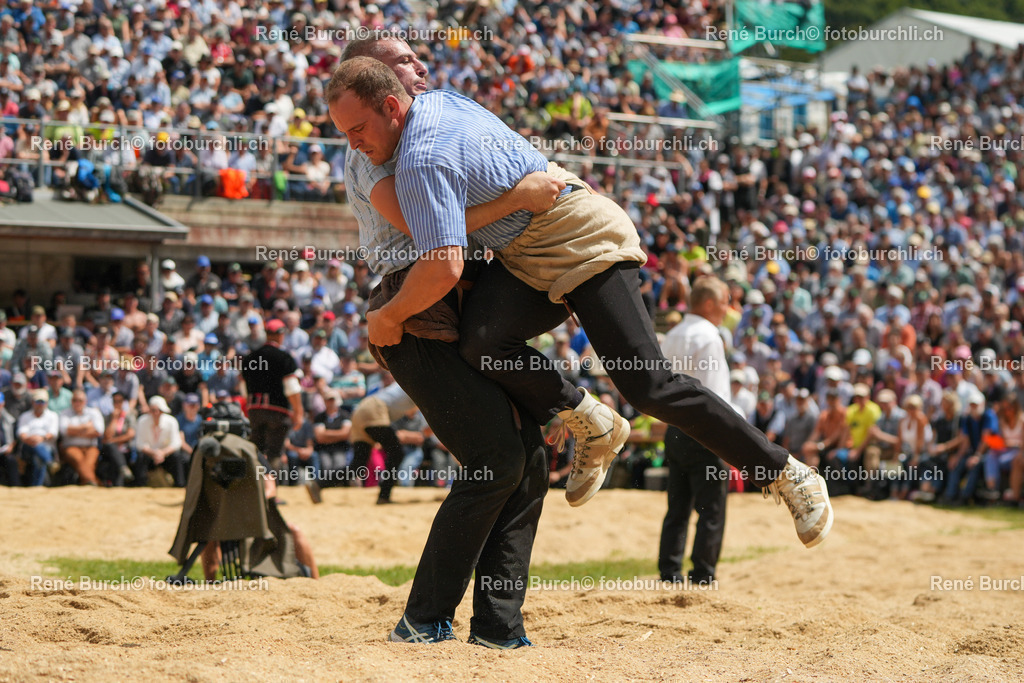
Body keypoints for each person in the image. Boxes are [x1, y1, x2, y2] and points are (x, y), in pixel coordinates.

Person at [327, 56, 833, 548]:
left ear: (392, 105)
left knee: (649, 385)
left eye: (357, 130)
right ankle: (591, 419)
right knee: (482, 341)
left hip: (580, 235)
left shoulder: (422, 155)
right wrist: (516, 197)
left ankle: (788, 473)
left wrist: (388, 315)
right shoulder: (430, 107)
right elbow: (445, 228)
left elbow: (441, 259)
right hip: (525, 252)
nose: (352, 144)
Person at [333, 34, 554, 648]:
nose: (419, 66)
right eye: (402, 62)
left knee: (527, 461)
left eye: (415, 58)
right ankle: (424, 618)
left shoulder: (430, 131)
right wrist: (519, 199)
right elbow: (434, 239)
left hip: (451, 304)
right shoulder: (373, 150)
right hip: (417, 308)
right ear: (381, 87)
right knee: (497, 461)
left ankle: (497, 626)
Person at [658, 277, 732, 585]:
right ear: (710, 303)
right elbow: (714, 395)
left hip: (675, 429)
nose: (729, 308)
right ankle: (702, 573)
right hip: (705, 431)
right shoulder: (709, 336)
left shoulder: (673, 334)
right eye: (726, 300)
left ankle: (669, 571)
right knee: (711, 509)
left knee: (677, 507)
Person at [348, 379, 416, 504]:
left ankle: (319, 484)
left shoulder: (408, 381)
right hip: (375, 409)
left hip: (361, 409)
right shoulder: (419, 385)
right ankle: (384, 495)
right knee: (396, 453)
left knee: (358, 463)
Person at [135, 395, 186, 487]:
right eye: (153, 410)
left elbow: (176, 443)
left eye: (158, 410)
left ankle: (179, 485)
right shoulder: (142, 421)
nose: (156, 413)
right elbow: (139, 444)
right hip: (149, 456)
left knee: (177, 456)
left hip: (166, 456)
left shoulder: (171, 421)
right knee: (141, 457)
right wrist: (154, 453)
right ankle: (140, 485)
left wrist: (162, 453)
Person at [58, 389, 105, 486]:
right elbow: (64, 430)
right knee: (78, 459)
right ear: (71, 401)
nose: (77, 403)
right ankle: (95, 483)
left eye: (80, 400)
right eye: (75, 400)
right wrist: (85, 427)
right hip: (71, 446)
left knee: (89, 463)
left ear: (85, 402)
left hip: (90, 447)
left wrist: (73, 431)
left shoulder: (93, 412)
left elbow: (98, 431)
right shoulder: (65, 413)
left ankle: (89, 483)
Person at [16, 389, 59, 487]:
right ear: (32, 402)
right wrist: (32, 440)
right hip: (27, 447)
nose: (40, 404)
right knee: (37, 447)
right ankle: (50, 462)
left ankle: (36, 486)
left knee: (38, 459)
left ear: (47, 403)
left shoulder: (52, 416)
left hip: (47, 446)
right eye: (37, 401)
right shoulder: (25, 416)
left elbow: (53, 433)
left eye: (42, 401)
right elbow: (21, 433)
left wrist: (41, 438)